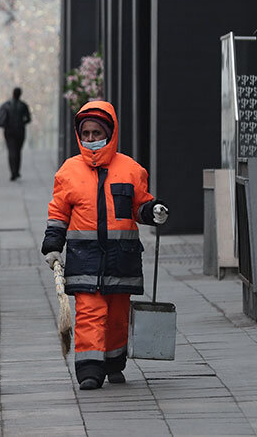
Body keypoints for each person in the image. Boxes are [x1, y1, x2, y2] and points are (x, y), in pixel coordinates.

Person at [40, 100, 168, 390]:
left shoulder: (131, 170)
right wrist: (52, 244)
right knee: (89, 313)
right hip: (84, 259)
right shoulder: (69, 172)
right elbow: (58, 213)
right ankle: (89, 369)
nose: (91, 139)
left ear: (110, 133)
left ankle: (114, 361)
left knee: (117, 317)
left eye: (96, 133)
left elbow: (140, 205)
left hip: (121, 259)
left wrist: (154, 210)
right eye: (85, 134)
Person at [0, 87, 31, 181]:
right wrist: (22, 122)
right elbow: (28, 119)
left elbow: (1, 117)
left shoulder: (7, 105)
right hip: (20, 131)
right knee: (18, 151)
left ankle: (13, 172)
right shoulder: (23, 105)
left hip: (9, 131)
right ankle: (16, 171)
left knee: (11, 151)